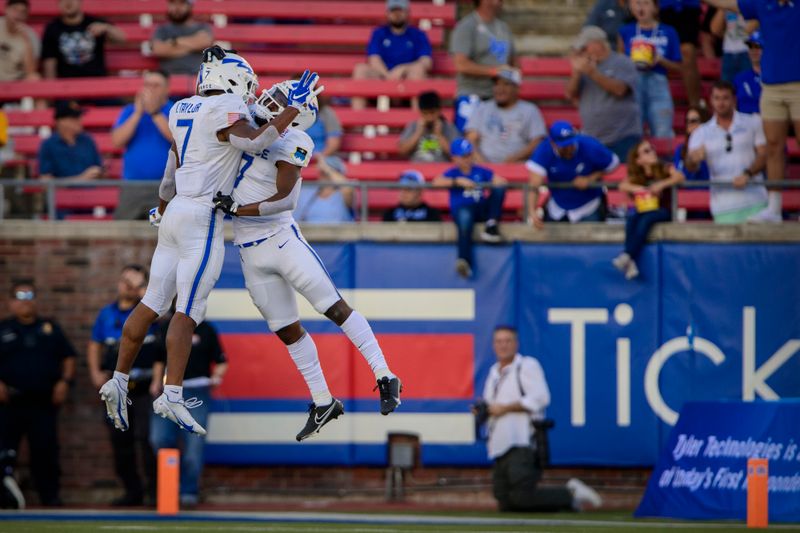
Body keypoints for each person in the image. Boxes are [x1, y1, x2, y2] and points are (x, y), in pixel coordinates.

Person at [99, 48, 323, 436]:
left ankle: (117, 378)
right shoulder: (228, 108)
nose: (253, 95)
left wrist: (162, 208)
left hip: (174, 213)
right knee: (187, 310)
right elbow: (254, 143)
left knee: (152, 300)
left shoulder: (180, 108)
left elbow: (171, 168)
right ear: (235, 81)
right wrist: (292, 109)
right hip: (202, 216)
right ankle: (172, 392)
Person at [212, 81, 402, 440]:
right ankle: (322, 400)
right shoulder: (249, 123)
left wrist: (238, 208)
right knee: (285, 328)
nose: (270, 99)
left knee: (332, 307)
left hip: (281, 239)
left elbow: (284, 199)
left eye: (282, 100)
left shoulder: (297, 140)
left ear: (299, 113)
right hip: (248, 249)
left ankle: (384, 374)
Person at [478, 325, 602, 512]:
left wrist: (506, 408)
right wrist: (483, 410)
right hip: (499, 443)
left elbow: (540, 397)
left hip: (521, 441)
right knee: (505, 501)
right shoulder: (494, 372)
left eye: (508, 341)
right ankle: (566, 503)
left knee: (521, 496)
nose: (503, 345)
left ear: (516, 344)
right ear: (493, 345)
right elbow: (492, 405)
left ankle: (571, 492)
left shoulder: (527, 366)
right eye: (499, 341)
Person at [704, 0, 800, 222]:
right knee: (774, 146)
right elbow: (729, 3)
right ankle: (774, 209)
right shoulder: (762, 3)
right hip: (771, 86)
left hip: (798, 85)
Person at [88, 265, 162, 506]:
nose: (127, 286)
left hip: (144, 386)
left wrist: (143, 290)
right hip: (117, 388)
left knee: (149, 440)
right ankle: (133, 492)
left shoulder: (150, 311)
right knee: (121, 441)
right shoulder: (106, 314)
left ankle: (156, 493)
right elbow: (95, 343)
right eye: (124, 281)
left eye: (134, 282)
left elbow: (168, 319)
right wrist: (95, 372)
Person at [0, 280, 76, 507]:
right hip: (9, 403)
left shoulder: (50, 328)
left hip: (43, 403)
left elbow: (68, 356)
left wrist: (65, 382)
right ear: (10, 302)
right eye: (20, 297)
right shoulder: (3, 329)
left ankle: (49, 497)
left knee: (45, 452)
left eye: (30, 296)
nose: (26, 302)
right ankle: (5, 498)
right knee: (5, 451)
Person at [150, 309, 227, 507]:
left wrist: (217, 377)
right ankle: (169, 485)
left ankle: (188, 491)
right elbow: (159, 358)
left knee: (194, 445)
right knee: (159, 438)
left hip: (197, 392)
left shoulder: (207, 329)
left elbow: (221, 360)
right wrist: (156, 381)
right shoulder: (167, 326)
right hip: (168, 392)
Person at [686, 80, 769, 223]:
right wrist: (693, 159)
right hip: (723, 207)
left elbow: (764, 154)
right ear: (711, 100)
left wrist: (747, 174)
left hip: (756, 200)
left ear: (734, 100)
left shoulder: (753, 122)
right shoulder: (700, 132)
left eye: (725, 98)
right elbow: (690, 166)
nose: (721, 103)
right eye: (717, 98)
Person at [432, 138, 506, 279]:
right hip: (463, 209)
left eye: (469, 155)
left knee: (500, 189)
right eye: (463, 156)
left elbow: (501, 181)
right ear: (454, 158)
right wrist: (458, 181)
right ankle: (464, 259)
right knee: (465, 218)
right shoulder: (453, 172)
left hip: (481, 207)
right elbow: (436, 182)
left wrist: (488, 183)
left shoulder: (480, 170)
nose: (467, 159)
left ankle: (491, 225)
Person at [567, 26, 642, 161]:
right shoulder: (586, 66)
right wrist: (577, 72)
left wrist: (592, 73)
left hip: (623, 136)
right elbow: (570, 94)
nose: (582, 51)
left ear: (598, 44)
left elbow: (620, 90)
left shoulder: (622, 62)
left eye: (585, 47)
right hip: (592, 138)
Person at [526, 121, 620, 228]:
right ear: (553, 143)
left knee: (591, 241)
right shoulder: (543, 150)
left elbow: (613, 163)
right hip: (558, 206)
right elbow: (534, 184)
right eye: (564, 146)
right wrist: (532, 212)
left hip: (588, 205)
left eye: (571, 143)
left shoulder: (589, 145)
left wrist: (590, 178)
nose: (569, 148)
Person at [614, 140, 685, 280]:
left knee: (645, 220)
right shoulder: (638, 176)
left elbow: (680, 176)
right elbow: (622, 186)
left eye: (651, 149)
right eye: (646, 151)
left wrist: (661, 184)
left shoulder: (664, 168)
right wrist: (640, 189)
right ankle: (630, 260)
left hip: (663, 211)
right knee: (632, 220)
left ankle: (628, 255)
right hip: (644, 210)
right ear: (639, 160)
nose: (652, 152)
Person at [111, 71, 174, 220]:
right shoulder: (130, 111)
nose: (151, 89)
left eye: (156, 85)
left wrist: (154, 113)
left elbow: (176, 139)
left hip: (164, 187)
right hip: (132, 186)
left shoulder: (175, 109)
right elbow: (116, 141)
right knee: (123, 232)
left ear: (167, 89)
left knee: (164, 234)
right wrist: (137, 114)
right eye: (147, 85)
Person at [618, 0, 683, 139]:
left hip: (659, 83)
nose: (641, 7)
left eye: (646, 3)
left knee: (662, 131)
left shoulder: (669, 31)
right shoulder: (625, 31)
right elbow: (620, 64)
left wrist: (660, 60)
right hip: (634, 83)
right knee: (633, 132)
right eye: (637, 3)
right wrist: (630, 63)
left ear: (655, 8)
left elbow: (679, 67)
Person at [351, 0, 432, 109]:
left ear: (407, 12)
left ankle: (416, 123)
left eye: (400, 10)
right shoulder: (379, 33)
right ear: (387, 13)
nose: (396, 14)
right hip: (381, 78)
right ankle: (357, 121)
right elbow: (373, 58)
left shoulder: (418, 34)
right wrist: (388, 76)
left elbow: (426, 62)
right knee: (360, 70)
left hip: (407, 81)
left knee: (417, 71)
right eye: (393, 10)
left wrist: (403, 69)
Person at [450, 0, 516, 132]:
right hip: (473, 94)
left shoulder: (503, 27)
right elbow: (461, 65)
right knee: (467, 143)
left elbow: (513, 60)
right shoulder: (466, 26)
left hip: (499, 96)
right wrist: (494, 71)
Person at [465, 68, 546, 163]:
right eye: (496, 84)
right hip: (483, 167)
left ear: (517, 88)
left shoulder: (530, 110)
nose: (500, 88)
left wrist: (514, 159)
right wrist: (483, 164)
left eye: (506, 84)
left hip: (518, 166)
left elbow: (538, 142)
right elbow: (471, 138)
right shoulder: (482, 108)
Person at [41, 0, 126, 79]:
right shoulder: (52, 28)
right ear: (58, 3)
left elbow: (122, 38)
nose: (68, 2)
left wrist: (107, 28)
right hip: (67, 85)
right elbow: (49, 62)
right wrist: (52, 90)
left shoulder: (94, 22)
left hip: (97, 82)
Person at [38, 100, 103, 181]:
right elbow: (45, 181)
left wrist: (99, 173)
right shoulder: (48, 145)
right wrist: (80, 179)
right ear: (60, 121)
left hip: (91, 192)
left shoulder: (88, 141)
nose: (80, 120)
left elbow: (99, 170)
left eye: (79, 116)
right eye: (74, 118)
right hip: (61, 193)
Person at [658, 0, 702, 108]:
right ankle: (664, 102)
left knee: (688, 52)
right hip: (663, 7)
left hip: (687, 7)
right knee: (662, 53)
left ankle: (695, 107)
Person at [150, 0, 213, 76]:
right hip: (168, 78)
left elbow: (204, 42)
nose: (177, 8)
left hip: (196, 77)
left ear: (190, 6)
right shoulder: (162, 29)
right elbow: (159, 50)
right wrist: (193, 44)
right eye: (173, 3)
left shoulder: (202, 27)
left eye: (181, 3)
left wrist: (174, 42)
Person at [398, 91, 458, 163]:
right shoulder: (413, 126)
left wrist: (439, 135)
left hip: (441, 171)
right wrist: (418, 133)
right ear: (420, 112)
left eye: (432, 113)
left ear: (439, 110)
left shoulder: (448, 127)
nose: (429, 117)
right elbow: (402, 151)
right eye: (425, 113)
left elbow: (457, 155)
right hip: (418, 169)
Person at [294, 156, 355, 223]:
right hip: (310, 232)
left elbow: (347, 187)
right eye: (322, 172)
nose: (324, 175)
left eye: (328, 174)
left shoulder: (342, 194)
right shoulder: (305, 192)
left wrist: (327, 169)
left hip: (340, 232)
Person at [710, 9, 755, 81]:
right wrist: (723, 7)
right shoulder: (727, 5)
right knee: (727, 88)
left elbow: (750, 29)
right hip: (728, 53)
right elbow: (715, 29)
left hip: (750, 52)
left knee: (748, 86)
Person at [0, 0, 39, 81]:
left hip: (15, 82)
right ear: (6, 10)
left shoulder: (31, 36)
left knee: (34, 78)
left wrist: (26, 41)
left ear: (27, 16)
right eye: (15, 9)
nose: (18, 14)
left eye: (23, 12)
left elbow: (30, 71)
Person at [673, 106, 710, 182]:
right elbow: (679, 174)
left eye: (693, 121)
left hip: (708, 191)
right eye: (687, 121)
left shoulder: (713, 146)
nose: (689, 124)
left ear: (704, 121)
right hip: (684, 192)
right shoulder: (680, 150)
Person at [733, 31, 761, 115]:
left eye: (758, 47)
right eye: (750, 47)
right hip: (743, 125)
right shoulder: (739, 78)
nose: (753, 50)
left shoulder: (773, 78)